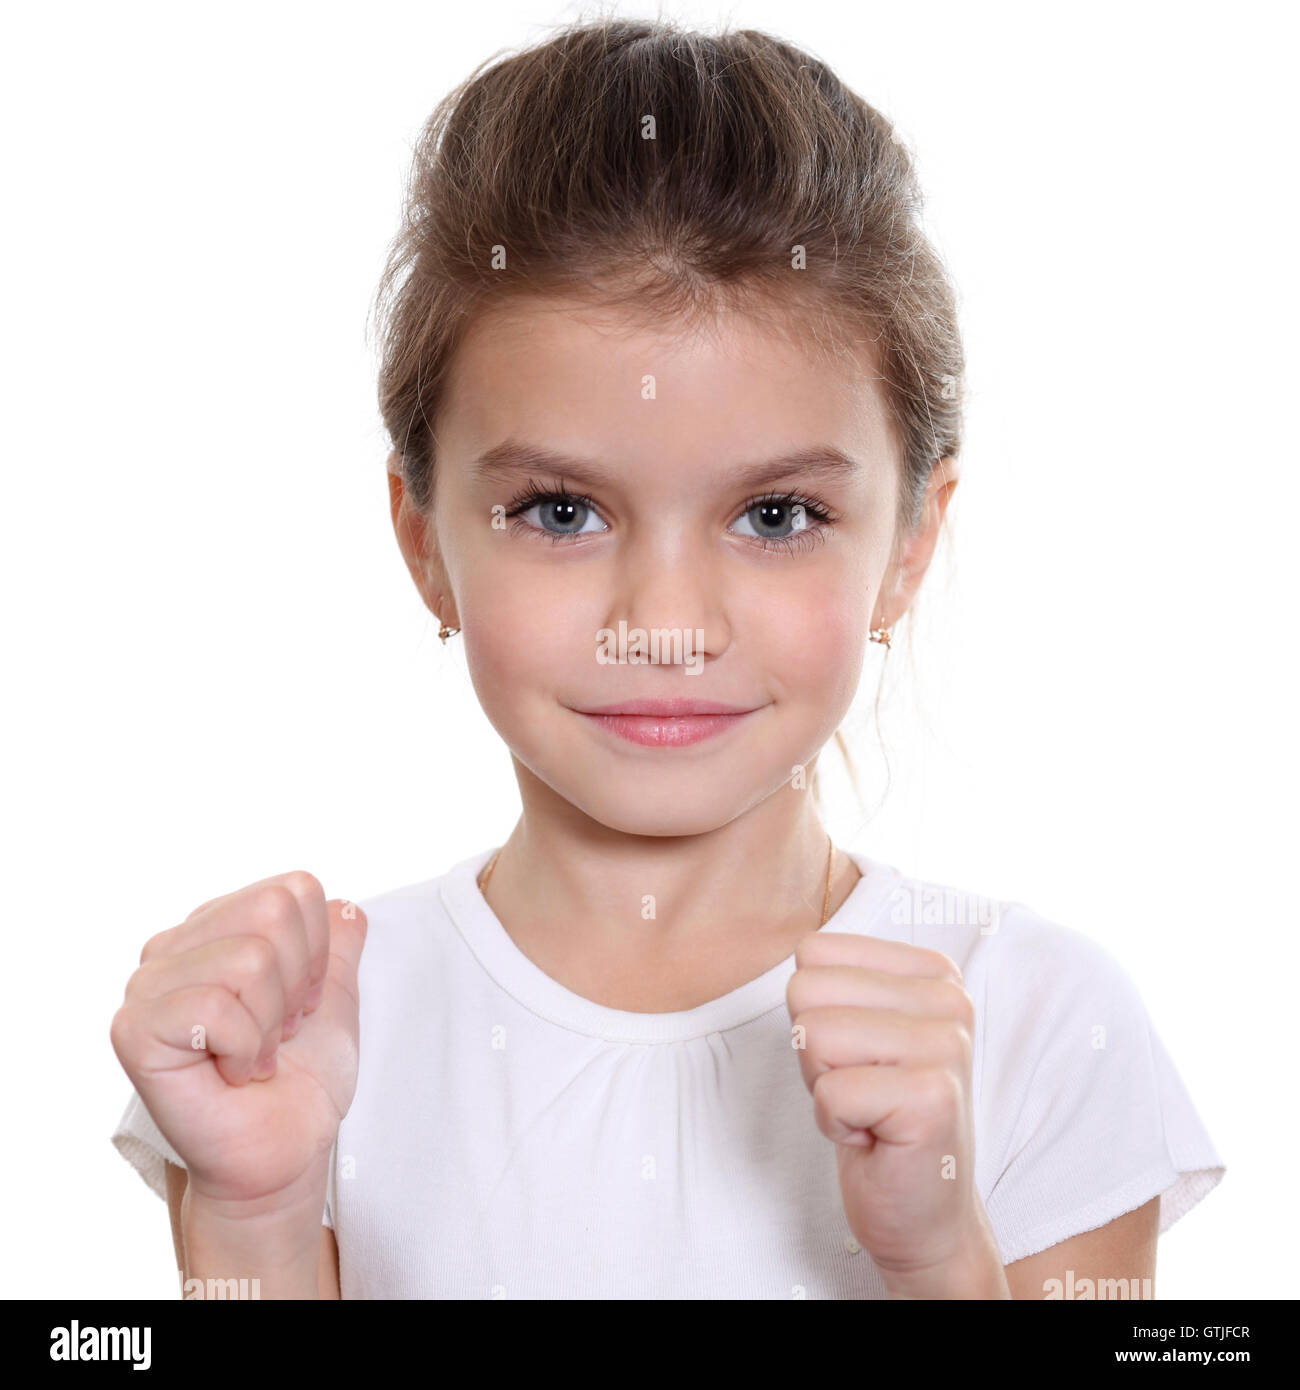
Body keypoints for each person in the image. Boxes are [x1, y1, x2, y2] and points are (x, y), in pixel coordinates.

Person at [109, 16, 1223, 1300]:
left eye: (775, 516)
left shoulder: (1031, 1017)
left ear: (909, 544)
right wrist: (253, 1223)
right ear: (424, 543)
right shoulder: (301, 1036)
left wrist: (937, 1255)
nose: (665, 621)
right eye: (561, 511)